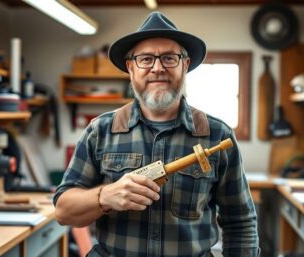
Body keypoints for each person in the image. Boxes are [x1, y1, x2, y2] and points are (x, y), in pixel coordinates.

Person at [54, 11, 259, 257]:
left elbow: (241, 223)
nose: (158, 68)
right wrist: (105, 196)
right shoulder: (100, 131)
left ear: (185, 64)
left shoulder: (217, 134)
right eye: (146, 59)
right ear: (131, 68)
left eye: (169, 58)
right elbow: (64, 211)